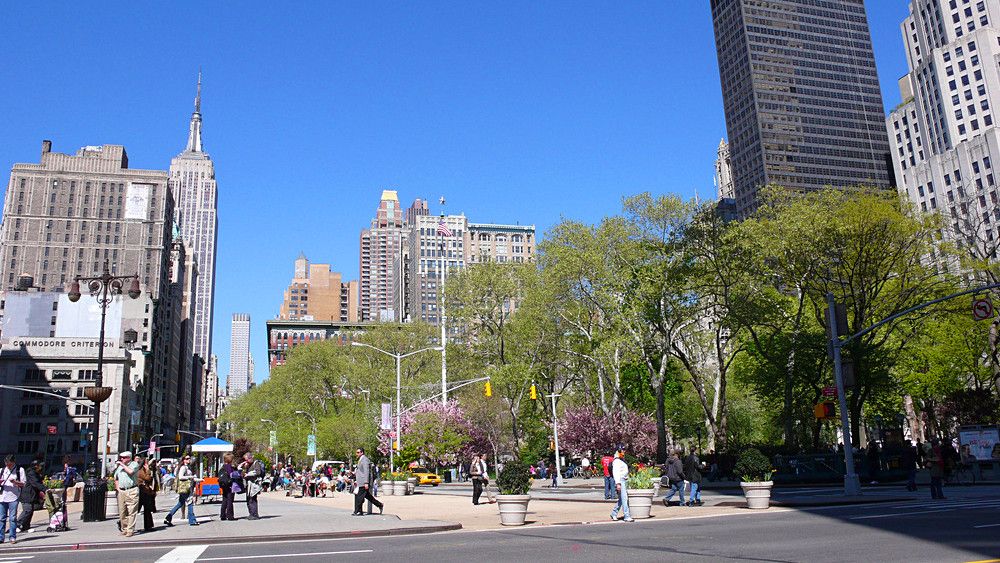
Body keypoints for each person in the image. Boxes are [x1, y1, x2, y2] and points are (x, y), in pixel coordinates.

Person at [165, 455, 200, 527]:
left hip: (185, 488)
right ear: (184, 460)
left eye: (189, 458)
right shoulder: (183, 467)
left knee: (180, 504)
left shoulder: (187, 467)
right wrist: (190, 477)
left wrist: (199, 480)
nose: (189, 459)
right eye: (187, 459)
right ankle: (192, 520)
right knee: (190, 503)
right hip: (185, 488)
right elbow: (181, 477)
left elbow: (191, 478)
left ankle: (168, 518)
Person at [112, 451, 140, 537]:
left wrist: (122, 465)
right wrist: (118, 488)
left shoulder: (134, 464)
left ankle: (130, 530)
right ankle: (124, 528)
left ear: (128, 458)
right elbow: (116, 477)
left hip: (132, 490)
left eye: (123, 458)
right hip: (122, 491)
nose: (121, 459)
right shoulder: (119, 468)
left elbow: (131, 472)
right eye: (121, 458)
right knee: (122, 512)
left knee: (132, 511)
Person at [1, 455, 25, 544]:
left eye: (10, 464)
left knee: (12, 518)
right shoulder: (2, 470)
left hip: (14, 497)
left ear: (14, 462)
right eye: (7, 464)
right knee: (1, 518)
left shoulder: (20, 470)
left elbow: (23, 484)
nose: (8, 466)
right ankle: (1, 537)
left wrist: (15, 482)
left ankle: (12, 537)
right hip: (2, 496)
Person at [16, 459, 45, 534]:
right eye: (40, 466)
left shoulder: (36, 473)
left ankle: (26, 527)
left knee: (31, 511)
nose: (41, 467)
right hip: (27, 495)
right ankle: (17, 525)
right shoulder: (31, 473)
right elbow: (36, 483)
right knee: (27, 510)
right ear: (35, 466)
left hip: (32, 495)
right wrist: (45, 489)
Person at [352, 448, 383, 516]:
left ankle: (357, 511)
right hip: (360, 481)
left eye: (358, 452)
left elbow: (366, 471)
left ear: (362, 452)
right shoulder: (360, 459)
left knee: (359, 497)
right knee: (368, 496)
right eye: (356, 452)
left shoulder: (365, 460)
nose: (356, 454)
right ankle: (379, 505)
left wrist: (366, 482)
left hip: (363, 482)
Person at [609, 448, 633, 522]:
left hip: (623, 480)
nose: (624, 452)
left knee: (621, 499)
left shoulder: (620, 461)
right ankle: (627, 515)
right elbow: (616, 473)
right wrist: (618, 484)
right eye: (622, 451)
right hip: (621, 481)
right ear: (618, 452)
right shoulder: (616, 461)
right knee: (624, 499)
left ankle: (614, 513)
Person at [135, 453, 155, 532]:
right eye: (146, 462)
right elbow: (148, 478)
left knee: (146, 509)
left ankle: (148, 525)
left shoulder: (141, 470)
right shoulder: (141, 471)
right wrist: (148, 471)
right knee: (138, 509)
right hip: (142, 491)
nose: (148, 464)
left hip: (145, 491)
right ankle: (124, 523)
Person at [240, 453, 264, 520]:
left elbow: (258, 472)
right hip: (249, 485)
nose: (246, 461)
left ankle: (255, 514)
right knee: (248, 500)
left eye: (247, 459)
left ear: (250, 458)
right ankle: (251, 513)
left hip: (254, 485)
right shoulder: (248, 465)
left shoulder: (256, 463)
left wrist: (248, 474)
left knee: (252, 500)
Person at [219, 453, 236, 521]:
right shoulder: (229, 467)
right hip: (229, 485)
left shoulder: (223, 467)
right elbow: (233, 475)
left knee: (224, 500)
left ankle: (222, 515)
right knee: (230, 500)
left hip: (224, 485)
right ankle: (230, 515)